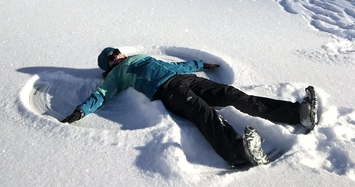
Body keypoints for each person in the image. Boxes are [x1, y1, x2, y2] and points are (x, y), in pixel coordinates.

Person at [60, 47, 318, 168]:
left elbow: (174, 67)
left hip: (184, 79)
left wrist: (199, 65)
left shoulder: (141, 57)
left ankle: (296, 114)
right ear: (108, 66)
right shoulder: (117, 74)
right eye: (111, 57)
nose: (116, 55)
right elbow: (103, 94)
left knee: (231, 94)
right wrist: (82, 110)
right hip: (168, 91)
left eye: (116, 52)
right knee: (202, 112)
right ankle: (237, 152)